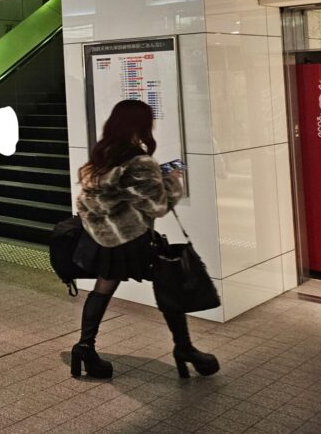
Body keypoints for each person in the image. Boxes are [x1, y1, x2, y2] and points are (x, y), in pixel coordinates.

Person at [71, 100, 218, 380]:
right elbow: (157, 207)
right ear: (141, 125)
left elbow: (98, 199)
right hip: (133, 240)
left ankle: (84, 347)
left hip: (104, 240)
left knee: (103, 287)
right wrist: (173, 180)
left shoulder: (102, 155)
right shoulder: (140, 161)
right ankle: (184, 349)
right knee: (169, 283)